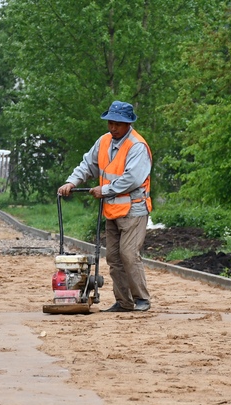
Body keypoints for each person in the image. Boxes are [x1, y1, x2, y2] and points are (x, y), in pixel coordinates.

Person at [57, 100, 152, 312]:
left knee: (128, 254)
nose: (113, 127)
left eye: (118, 124)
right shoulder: (104, 142)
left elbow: (132, 179)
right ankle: (123, 301)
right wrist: (72, 182)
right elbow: (87, 165)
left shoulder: (137, 146)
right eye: (110, 123)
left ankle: (141, 299)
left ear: (128, 124)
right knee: (114, 258)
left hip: (133, 210)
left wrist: (105, 190)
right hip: (111, 210)